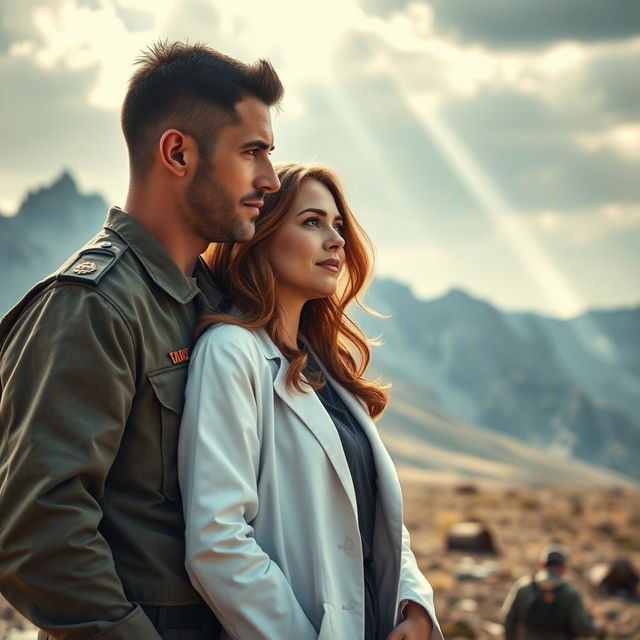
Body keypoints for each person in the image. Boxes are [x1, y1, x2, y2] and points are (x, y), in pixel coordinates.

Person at [0, 41, 282, 639]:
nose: (271, 178)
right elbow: (37, 532)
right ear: (177, 152)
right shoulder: (93, 306)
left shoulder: (220, 305)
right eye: (252, 151)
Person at [178, 163, 443, 640]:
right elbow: (217, 540)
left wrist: (414, 605)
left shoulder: (325, 364)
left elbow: (373, 517)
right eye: (312, 222)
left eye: (338, 226)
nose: (336, 240)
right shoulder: (231, 351)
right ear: (261, 236)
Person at [502, 545, 605, 640]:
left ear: (542, 564)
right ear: (563, 567)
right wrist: (598, 630)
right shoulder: (570, 592)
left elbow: (507, 619)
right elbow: (582, 627)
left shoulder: (523, 586)